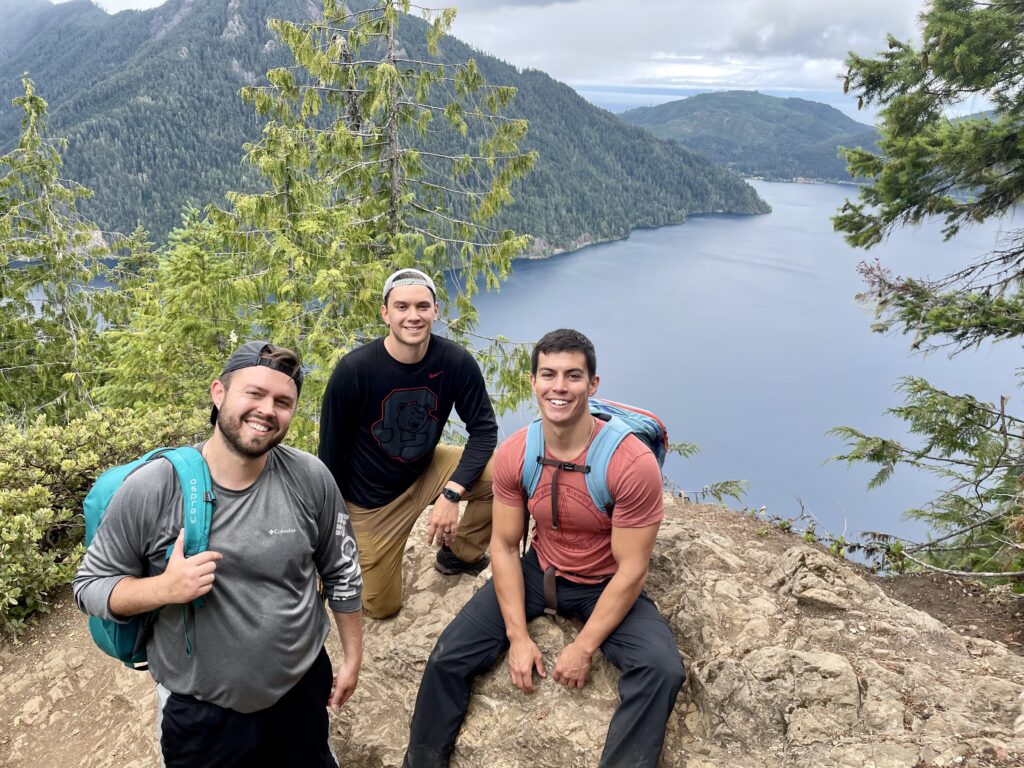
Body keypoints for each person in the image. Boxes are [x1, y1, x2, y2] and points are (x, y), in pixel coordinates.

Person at [403, 328, 685, 768]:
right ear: (533, 381)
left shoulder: (630, 463)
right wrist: (517, 637)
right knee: (446, 659)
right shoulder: (519, 453)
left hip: (604, 583)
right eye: (548, 375)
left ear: (593, 385)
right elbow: (503, 545)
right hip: (541, 572)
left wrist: (583, 648)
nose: (559, 387)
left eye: (573, 376)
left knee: (662, 670)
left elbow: (632, 569)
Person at [74, 341, 363, 768]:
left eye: (283, 402)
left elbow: (341, 568)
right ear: (219, 393)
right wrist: (164, 588)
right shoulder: (156, 487)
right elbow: (89, 586)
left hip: (301, 691)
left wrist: (353, 656)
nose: (268, 410)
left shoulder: (309, 476)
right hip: (201, 714)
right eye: (254, 393)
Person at [318, 268, 497, 619]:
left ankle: (458, 555)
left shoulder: (454, 362)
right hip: (371, 502)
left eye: (421, 306)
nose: (412, 316)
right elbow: (330, 456)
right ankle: (357, 561)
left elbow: (484, 431)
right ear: (385, 313)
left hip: (426, 468)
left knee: (506, 475)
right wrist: (331, 533)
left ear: (435, 310)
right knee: (383, 608)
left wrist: (452, 493)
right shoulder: (355, 371)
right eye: (401, 307)